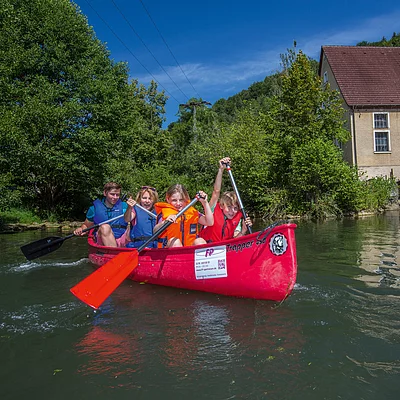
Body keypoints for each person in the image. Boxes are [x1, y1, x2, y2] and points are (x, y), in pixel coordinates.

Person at [200, 157, 252, 243]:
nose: (232, 211)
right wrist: (221, 169)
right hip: (206, 247)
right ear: (221, 206)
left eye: (235, 208)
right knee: (199, 241)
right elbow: (216, 192)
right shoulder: (212, 210)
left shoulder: (237, 218)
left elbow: (235, 241)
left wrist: (243, 230)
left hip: (224, 250)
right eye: (229, 207)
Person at [74, 182, 129, 247]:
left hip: (121, 238)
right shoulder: (93, 209)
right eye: (112, 194)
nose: (115, 197)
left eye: (117, 195)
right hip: (102, 239)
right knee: (105, 227)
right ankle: (114, 252)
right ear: (105, 193)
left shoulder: (125, 206)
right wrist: (81, 229)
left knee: (133, 228)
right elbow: (86, 226)